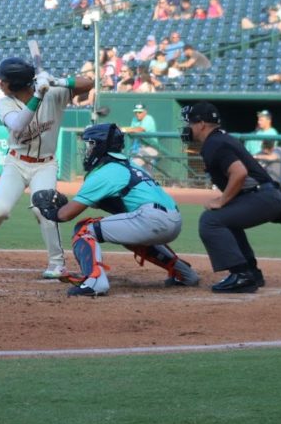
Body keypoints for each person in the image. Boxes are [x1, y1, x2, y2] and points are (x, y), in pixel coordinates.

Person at [0, 57, 94, 279]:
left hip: (45, 164)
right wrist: (38, 95)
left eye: (3, 80)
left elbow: (88, 83)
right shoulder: (4, 103)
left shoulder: (54, 93)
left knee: (43, 208)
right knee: (0, 210)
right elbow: (18, 124)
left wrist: (57, 81)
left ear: (15, 84)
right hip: (16, 163)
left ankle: (57, 264)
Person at [33, 124, 201, 297]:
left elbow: (65, 215)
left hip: (151, 219)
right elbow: (116, 207)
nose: (87, 150)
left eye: (91, 145)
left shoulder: (105, 172)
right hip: (172, 219)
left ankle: (95, 281)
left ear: (101, 146)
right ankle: (185, 273)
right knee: (129, 235)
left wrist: (50, 213)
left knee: (83, 230)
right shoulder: (131, 165)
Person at [180, 102, 281, 293]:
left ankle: (242, 275)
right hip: (265, 194)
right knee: (225, 219)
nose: (188, 127)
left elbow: (239, 173)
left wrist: (222, 200)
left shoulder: (213, 143)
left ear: (201, 124)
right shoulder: (219, 139)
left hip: (262, 196)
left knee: (210, 221)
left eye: (190, 123)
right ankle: (251, 272)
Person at [245, 110, 281, 180]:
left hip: (266, 163)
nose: (259, 122)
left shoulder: (273, 133)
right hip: (254, 162)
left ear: (268, 120)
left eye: (261, 120)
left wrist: (256, 156)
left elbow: (270, 153)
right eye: (259, 120)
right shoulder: (256, 132)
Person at [123, 103, 159, 170]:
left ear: (145, 112)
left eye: (140, 112)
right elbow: (131, 130)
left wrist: (124, 129)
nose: (137, 114)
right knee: (146, 172)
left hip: (151, 148)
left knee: (133, 165)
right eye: (136, 112)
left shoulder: (148, 118)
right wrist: (123, 129)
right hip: (139, 148)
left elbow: (140, 129)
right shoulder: (134, 119)